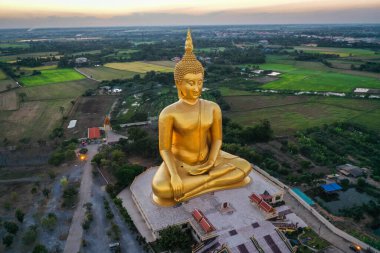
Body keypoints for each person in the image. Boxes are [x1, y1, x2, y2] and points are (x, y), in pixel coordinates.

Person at [152, 30, 252, 206]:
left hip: (210, 159)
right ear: (179, 83)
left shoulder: (212, 107)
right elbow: (165, 149)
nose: (197, 88)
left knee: (245, 166)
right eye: (191, 83)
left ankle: (200, 184)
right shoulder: (169, 113)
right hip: (180, 163)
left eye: (200, 82)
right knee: (161, 188)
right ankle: (213, 181)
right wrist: (175, 175)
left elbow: (217, 140)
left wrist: (211, 162)